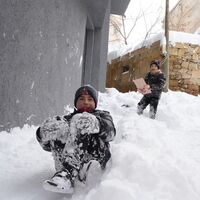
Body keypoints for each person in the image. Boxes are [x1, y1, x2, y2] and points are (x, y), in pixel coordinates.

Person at [36, 85, 116, 194]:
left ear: (95, 103)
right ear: (75, 102)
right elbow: (48, 147)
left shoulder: (103, 115)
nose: (86, 102)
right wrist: (42, 134)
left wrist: (96, 123)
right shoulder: (66, 120)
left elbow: (111, 134)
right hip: (66, 162)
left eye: (90, 99)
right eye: (81, 99)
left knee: (81, 121)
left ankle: (71, 173)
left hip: (96, 156)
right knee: (60, 127)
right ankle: (64, 175)